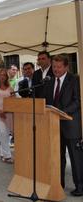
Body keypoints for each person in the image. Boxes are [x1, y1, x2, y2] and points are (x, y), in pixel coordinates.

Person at [44, 54, 83, 197]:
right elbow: (46, 101)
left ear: (66, 66)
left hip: (71, 126)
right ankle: (58, 185)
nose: (56, 70)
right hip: (54, 126)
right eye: (54, 66)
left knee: (75, 158)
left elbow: (78, 101)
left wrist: (62, 112)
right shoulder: (48, 81)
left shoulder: (75, 80)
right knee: (57, 157)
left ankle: (80, 186)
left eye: (59, 67)